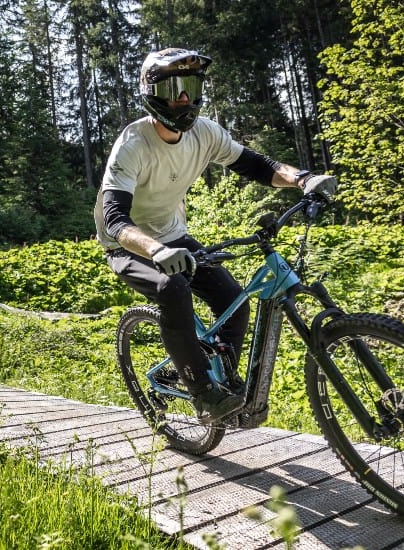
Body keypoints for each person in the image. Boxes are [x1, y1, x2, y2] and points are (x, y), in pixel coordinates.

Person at [94, 48, 337, 424]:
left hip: (174, 235)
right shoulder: (133, 144)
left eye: (191, 88)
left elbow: (256, 164)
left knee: (233, 301)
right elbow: (114, 220)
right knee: (171, 288)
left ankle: (221, 382)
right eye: (174, 89)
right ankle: (203, 393)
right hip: (127, 245)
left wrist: (303, 179)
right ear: (152, 93)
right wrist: (155, 250)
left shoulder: (204, 133)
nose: (184, 99)